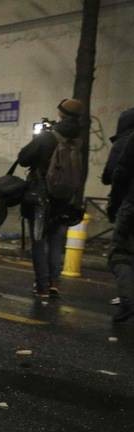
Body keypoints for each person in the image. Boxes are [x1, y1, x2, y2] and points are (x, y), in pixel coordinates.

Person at [17, 99, 85, 299]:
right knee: (56, 241)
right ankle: (54, 283)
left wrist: (40, 137)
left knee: (39, 242)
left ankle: (42, 286)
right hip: (65, 199)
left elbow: (23, 158)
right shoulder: (80, 139)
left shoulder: (48, 137)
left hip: (41, 196)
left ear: (61, 114)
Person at [102, 107, 134, 323]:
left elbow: (117, 174)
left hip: (131, 205)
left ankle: (128, 301)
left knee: (120, 254)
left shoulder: (127, 141)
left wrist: (113, 207)